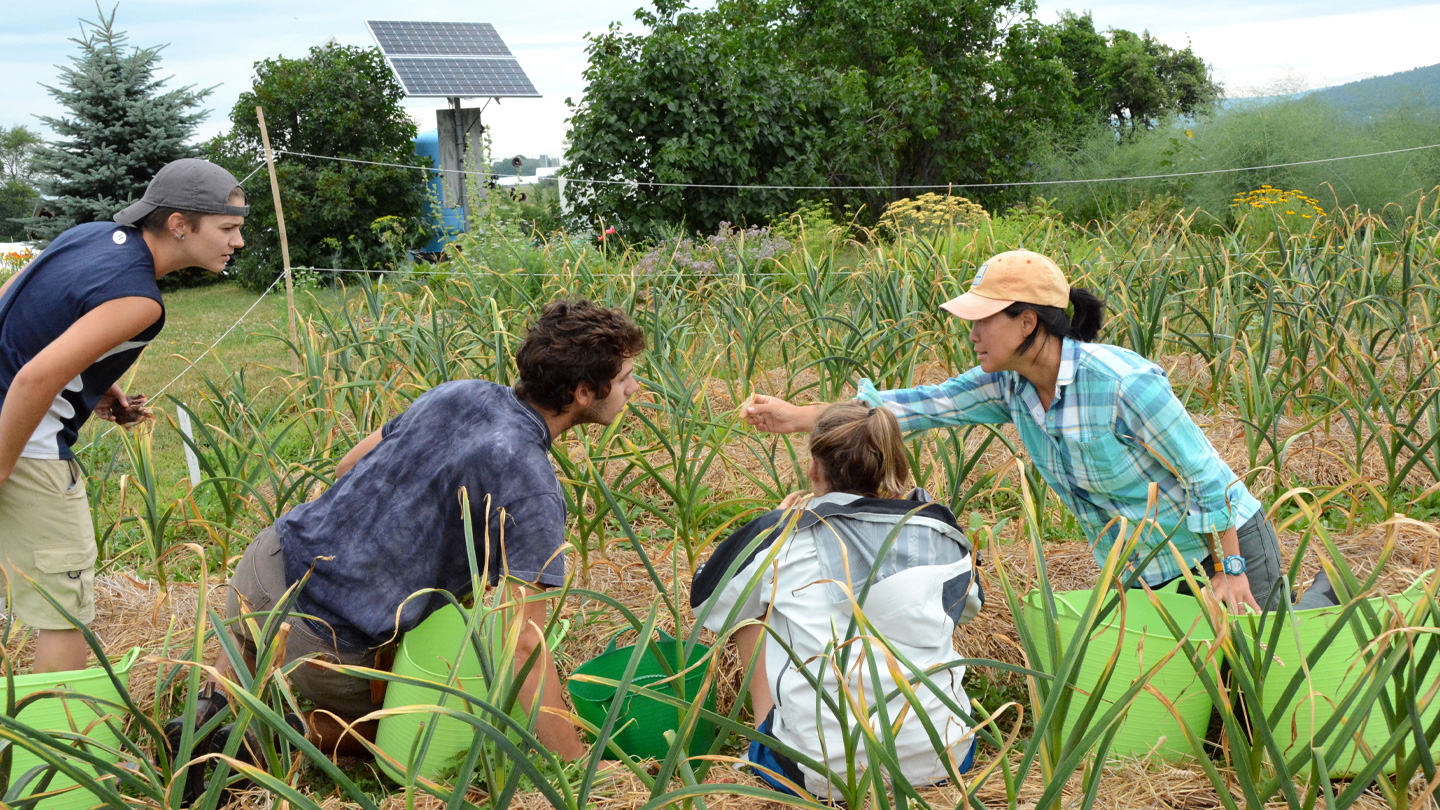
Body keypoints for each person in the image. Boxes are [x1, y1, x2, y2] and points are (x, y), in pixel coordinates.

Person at [176, 300, 643, 767]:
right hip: (321, 634)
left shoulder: (461, 392)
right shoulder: (532, 488)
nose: (633, 389)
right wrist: (583, 767)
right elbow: (522, 645)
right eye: (624, 379)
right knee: (400, 739)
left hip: (266, 563)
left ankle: (215, 701)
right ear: (584, 392)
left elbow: (347, 467)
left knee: (248, 641)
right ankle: (256, 738)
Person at [741, 249, 1336, 614]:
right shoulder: (1008, 384)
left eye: (982, 320)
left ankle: (1329, 598)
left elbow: (1206, 476)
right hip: (1138, 566)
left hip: (1214, 548)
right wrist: (800, 415)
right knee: (1189, 711)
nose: (971, 333)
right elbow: (918, 407)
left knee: (1260, 690)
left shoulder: (1122, 383)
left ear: (1027, 321)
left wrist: (1229, 574)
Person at [0, 158, 248, 673]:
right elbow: (34, 380)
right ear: (179, 224)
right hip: (23, 441)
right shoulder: (140, 301)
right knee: (62, 614)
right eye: (228, 229)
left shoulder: (89, 235)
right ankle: (59, 748)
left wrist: (100, 385)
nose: (237, 242)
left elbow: (15, 303)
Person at [692, 402, 984, 800]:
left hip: (818, 773)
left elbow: (707, 607)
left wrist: (775, 523)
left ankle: (769, 734)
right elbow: (969, 608)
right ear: (892, 466)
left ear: (814, 468)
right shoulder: (940, 530)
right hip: (943, 758)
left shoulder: (782, 535)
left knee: (749, 603)